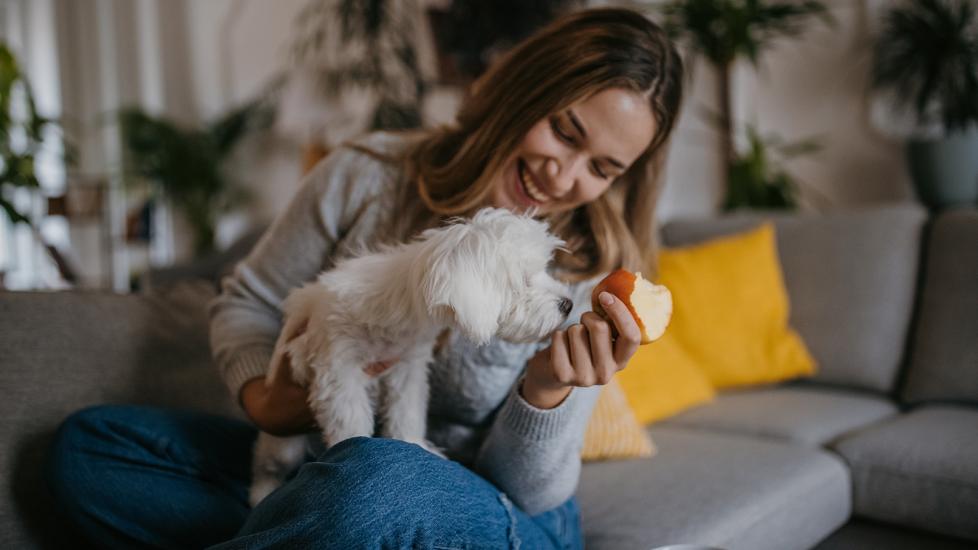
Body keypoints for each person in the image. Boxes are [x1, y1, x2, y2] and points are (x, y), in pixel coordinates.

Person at [46, 7, 683, 549]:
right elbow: (247, 303)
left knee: (374, 479)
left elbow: (533, 492)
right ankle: (314, 529)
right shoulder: (367, 172)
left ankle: (321, 524)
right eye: (564, 130)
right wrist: (263, 401)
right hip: (327, 464)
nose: (563, 175)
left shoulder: (586, 264)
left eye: (601, 167)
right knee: (90, 448)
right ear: (522, 91)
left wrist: (544, 390)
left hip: (481, 508)